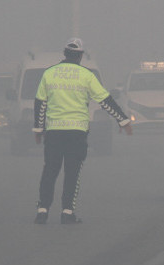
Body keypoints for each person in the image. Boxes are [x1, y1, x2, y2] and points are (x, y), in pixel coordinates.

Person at [32, 38, 132, 224]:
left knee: (50, 171)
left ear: (64, 54)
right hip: (77, 132)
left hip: (54, 131)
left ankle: (42, 210)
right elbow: (105, 100)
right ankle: (67, 212)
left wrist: (38, 129)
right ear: (80, 56)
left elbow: (40, 104)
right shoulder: (86, 75)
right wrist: (122, 120)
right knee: (72, 172)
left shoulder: (49, 74)